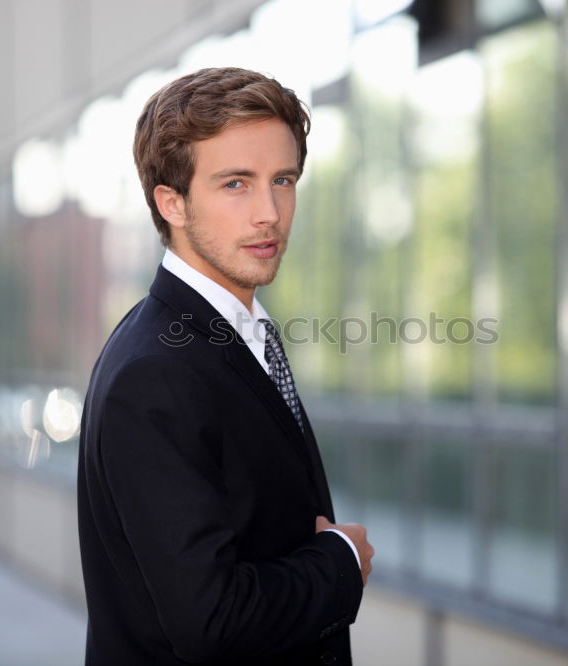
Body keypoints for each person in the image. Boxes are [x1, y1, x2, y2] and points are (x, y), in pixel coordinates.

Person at [77, 67, 374, 665]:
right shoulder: (155, 372)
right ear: (172, 203)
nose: (269, 212)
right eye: (236, 184)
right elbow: (210, 620)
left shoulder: (231, 335)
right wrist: (339, 562)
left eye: (283, 180)